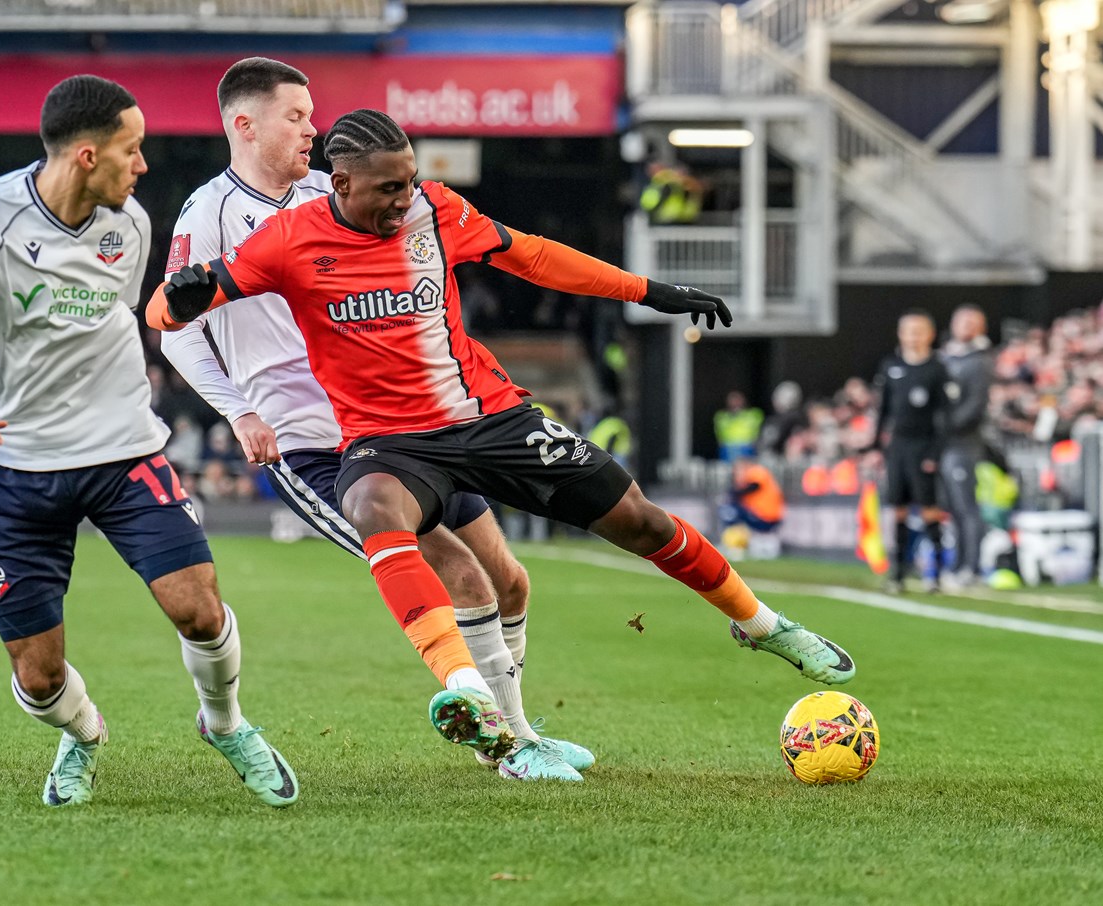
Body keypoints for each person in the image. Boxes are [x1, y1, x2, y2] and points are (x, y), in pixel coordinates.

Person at [149, 110, 857, 741]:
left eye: (410, 182)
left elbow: (538, 258)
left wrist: (648, 291)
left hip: (488, 417)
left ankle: (765, 625)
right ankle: (475, 704)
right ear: (340, 182)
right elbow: (166, 315)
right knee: (376, 510)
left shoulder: (436, 212)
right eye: (388, 188)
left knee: (634, 522)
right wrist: (177, 301)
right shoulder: (287, 241)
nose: (405, 199)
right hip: (388, 442)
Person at [158, 58, 588, 781]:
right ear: (244, 124)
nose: (311, 128)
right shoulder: (210, 215)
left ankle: (518, 730)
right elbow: (175, 328)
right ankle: (508, 749)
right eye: (295, 116)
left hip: (403, 427)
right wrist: (240, 412)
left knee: (509, 580)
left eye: (311, 114)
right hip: (312, 443)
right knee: (462, 579)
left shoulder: (334, 200)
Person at [0, 75, 298, 809]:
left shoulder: (130, 224)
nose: (143, 166)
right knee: (39, 678)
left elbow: (114, 322)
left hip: (122, 452)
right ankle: (80, 735)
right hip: (15, 469)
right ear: (86, 156)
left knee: (199, 607)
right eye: (131, 150)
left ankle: (226, 723)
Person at [872, 310, 954, 593]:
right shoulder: (891, 366)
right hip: (898, 448)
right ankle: (898, 573)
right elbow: (883, 411)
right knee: (898, 511)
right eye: (908, 330)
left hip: (924, 446)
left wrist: (935, 452)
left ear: (930, 334)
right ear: (900, 333)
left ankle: (937, 575)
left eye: (919, 330)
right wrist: (875, 446)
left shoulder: (937, 368)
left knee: (930, 510)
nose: (913, 336)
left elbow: (945, 416)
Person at [939, 305, 994, 587]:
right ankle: (958, 564)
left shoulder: (979, 361)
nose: (966, 326)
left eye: (973, 321)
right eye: (962, 321)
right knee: (953, 509)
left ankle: (971, 569)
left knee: (966, 507)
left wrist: (942, 428)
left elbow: (974, 406)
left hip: (963, 444)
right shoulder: (949, 356)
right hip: (947, 444)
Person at [713, 390, 764, 462]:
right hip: (727, 451)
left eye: (737, 401)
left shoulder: (754, 415)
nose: (735, 404)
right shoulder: (721, 417)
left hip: (747, 450)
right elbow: (720, 439)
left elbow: (758, 436)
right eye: (732, 401)